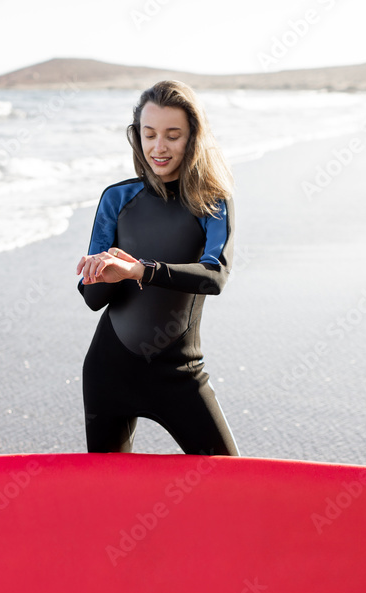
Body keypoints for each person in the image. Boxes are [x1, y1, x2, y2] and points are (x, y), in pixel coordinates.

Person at [75, 80, 239, 456]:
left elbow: (215, 276)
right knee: (112, 496)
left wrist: (141, 270)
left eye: (172, 135)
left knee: (228, 482)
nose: (158, 147)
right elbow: (91, 299)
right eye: (149, 135)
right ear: (137, 136)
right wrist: (102, 268)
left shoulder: (212, 202)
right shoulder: (117, 198)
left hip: (180, 376)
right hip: (108, 373)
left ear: (193, 137)